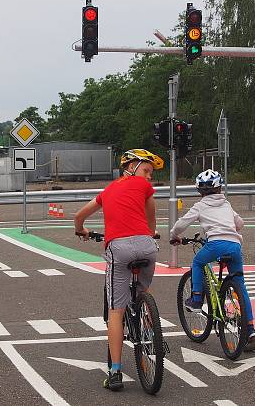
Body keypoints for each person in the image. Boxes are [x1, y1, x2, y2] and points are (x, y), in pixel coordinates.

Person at [74, 149, 163, 392]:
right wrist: (151, 232)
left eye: (151, 174)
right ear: (131, 166)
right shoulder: (143, 188)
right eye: (146, 171)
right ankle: (149, 326)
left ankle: (114, 372)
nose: (149, 177)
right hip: (147, 246)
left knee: (116, 311)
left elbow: (79, 215)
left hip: (119, 248)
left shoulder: (108, 190)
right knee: (144, 290)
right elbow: (151, 216)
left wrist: (80, 229)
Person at [169, 169, 255, 351]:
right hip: (234, 246)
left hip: (215, 244)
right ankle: (250, 329)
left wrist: (174, 235)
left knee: (198, 263)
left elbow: (181, 224)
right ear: (219, 188)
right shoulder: (226, 204)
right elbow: (240, 224)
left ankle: (196, 299)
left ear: (200, 191)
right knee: (240, 285)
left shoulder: (200, 206)